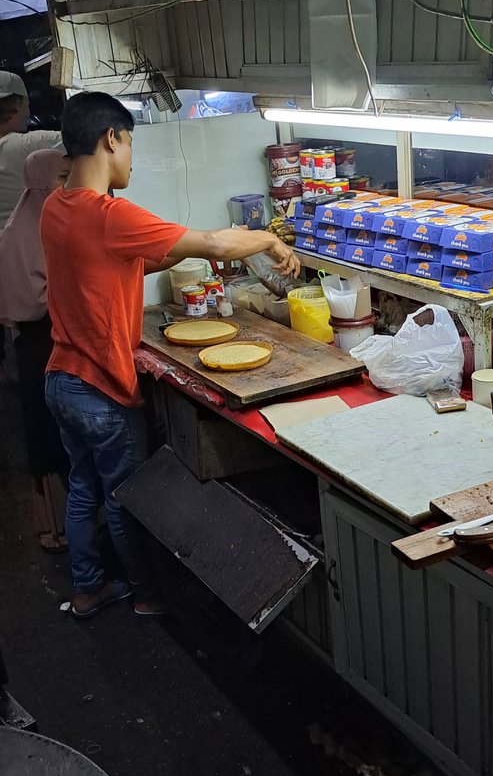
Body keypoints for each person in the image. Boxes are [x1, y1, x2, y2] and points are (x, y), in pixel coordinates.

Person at [42, 91, 300, 620]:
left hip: (61, 380)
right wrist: (268, 242)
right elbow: (214, 244)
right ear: (111, 138)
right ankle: (147, 594)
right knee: (125, 496)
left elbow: (116, 267)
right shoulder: (108, 215)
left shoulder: (56, 207)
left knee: (83, 489)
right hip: (100, 389)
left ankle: (88, 587)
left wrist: (184, 256)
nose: (132, 156)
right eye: (130, 142)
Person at [0, 149, 71, 550]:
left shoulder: (31, 220)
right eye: (62, 178)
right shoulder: (31, 229)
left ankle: (63, 527)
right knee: (51, 432)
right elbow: (34, 300)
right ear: (41, 182)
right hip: (40, 344)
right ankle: (57, 529)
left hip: (41, 341)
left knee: (53, 430)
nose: (68, 186)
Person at [0, 71, 63, 371]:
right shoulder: (28, 146)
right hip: (34, 273)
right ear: (19, 103)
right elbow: (90, 138)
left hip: (10, 274)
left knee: (20, 352)